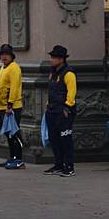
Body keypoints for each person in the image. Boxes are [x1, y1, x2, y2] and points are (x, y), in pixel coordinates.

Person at [44, 45, 77, 177]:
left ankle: (69, 166)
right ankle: (58, 164)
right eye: (52, 57)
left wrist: (67, 107)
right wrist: (48, 106)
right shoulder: (52, 72)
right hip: (52, 110)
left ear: (61, 59)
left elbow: (72, 92)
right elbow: (50, 91)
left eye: (54, 57)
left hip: (63, 111)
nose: (52, 59)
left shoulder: (68, 73)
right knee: (54, 139)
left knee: (65, 138)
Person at [0, 43, 24, 169]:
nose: (4, 57)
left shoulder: (14, 68)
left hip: (11, 107)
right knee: (8, 134)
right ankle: (12, 158)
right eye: (2, 54)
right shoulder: (3, 68)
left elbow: (14, 87)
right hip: (2, 107)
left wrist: (10, 104)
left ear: (12, 56)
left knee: (14, 133)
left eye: (7, 54)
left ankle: (19, 159)